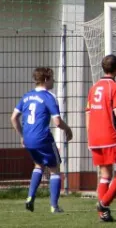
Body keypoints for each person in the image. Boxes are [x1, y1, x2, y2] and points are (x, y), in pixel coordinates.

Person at [10, 67, 73, 213]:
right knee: (55, 169)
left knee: (38, 165)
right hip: (42, 137)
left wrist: (22, 135)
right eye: (52, 78)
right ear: (46, 80)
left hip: (29, 138)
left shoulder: (27, 96)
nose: (54, 81)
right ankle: (54, 206)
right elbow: (57, 122)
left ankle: (30, 197)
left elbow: (13, 118)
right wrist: (68, 129)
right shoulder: (49, 97)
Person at [86, 55, 116, 222]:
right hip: (110, 135)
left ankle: (103, 214)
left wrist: (89, 135)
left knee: (105, 174)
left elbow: (88, 114)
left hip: (94, 137)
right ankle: (104, 203)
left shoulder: (94, 88)